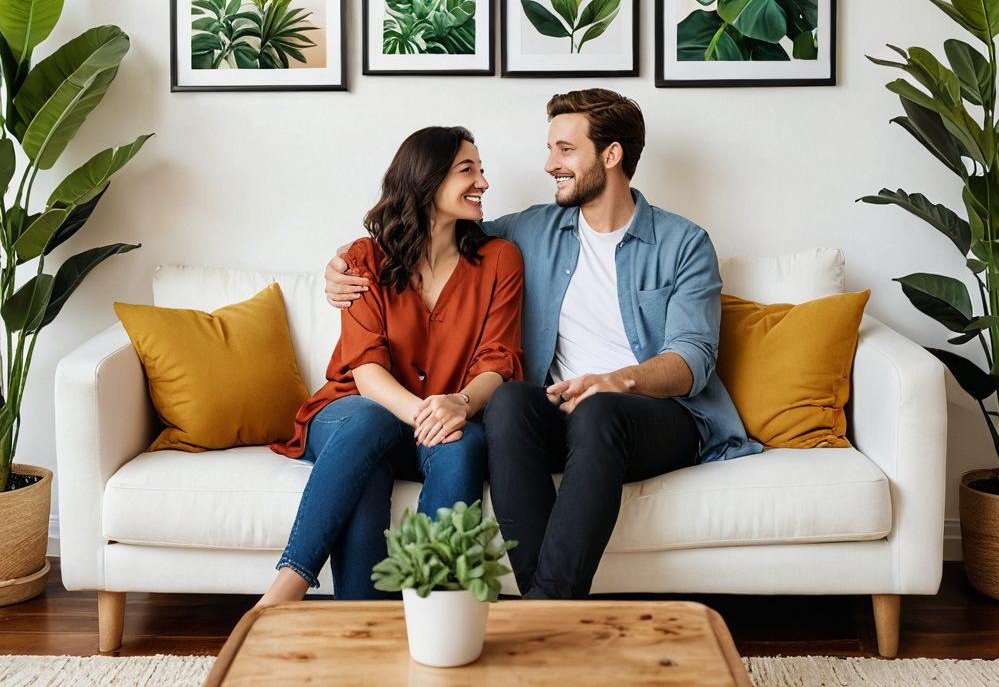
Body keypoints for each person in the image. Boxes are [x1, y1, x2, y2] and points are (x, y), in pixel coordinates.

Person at [325, 89, 762, 601]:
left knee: (602, 411)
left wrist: (617, 380)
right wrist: (347, 264)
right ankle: (545, 606)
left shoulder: (683, 242)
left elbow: (693, 359)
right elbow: (429, 233)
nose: (550, 164)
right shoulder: (532, 229)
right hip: (560, 412)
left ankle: (547, 605)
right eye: (551, 150)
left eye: (564, 150)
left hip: (656, 415)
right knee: (509, 399)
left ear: (611, 155)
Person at [259, 126, 524, 606]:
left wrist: (459, 404)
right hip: (351, 413)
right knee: (370, 419)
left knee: (463, 443)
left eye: (482, 171)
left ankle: (429, 608)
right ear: (426, 179)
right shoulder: (364, 259)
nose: (484, 182)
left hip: (440, 418)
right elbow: (366, 373)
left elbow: (498, 359)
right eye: (469, 170)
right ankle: (288, 586)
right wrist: (431, 413)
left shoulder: (500, 260)